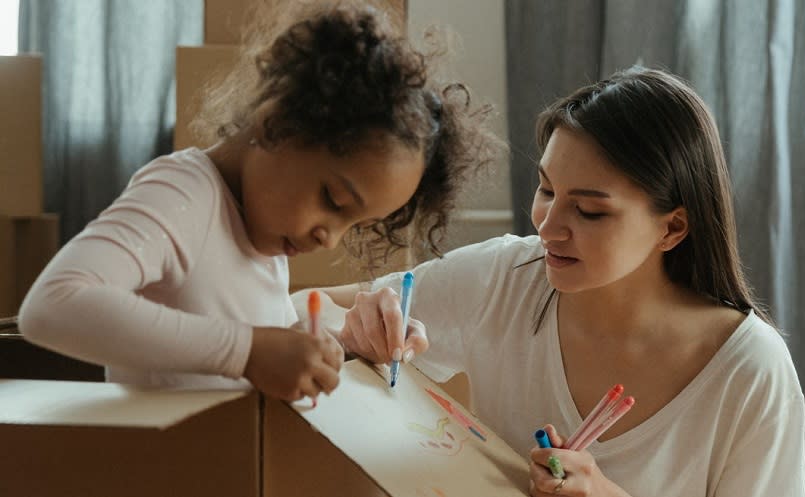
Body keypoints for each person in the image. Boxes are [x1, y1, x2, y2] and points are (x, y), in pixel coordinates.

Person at [307, 67, 805, 496]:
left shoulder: (748, 371)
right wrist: (355, 329)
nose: (547, 227)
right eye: (546, 189)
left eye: (589, 211)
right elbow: (298, 310)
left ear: (672, 227)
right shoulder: (505, 278)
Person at [17, 0, 498, 403]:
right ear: (277, 122)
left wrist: (342, 347)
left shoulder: (263, 233)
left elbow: (266, 338)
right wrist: (245, 351)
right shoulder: (186, 193)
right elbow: (53, 306)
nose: (328, 238)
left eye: (354, 224)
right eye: (332, 198)